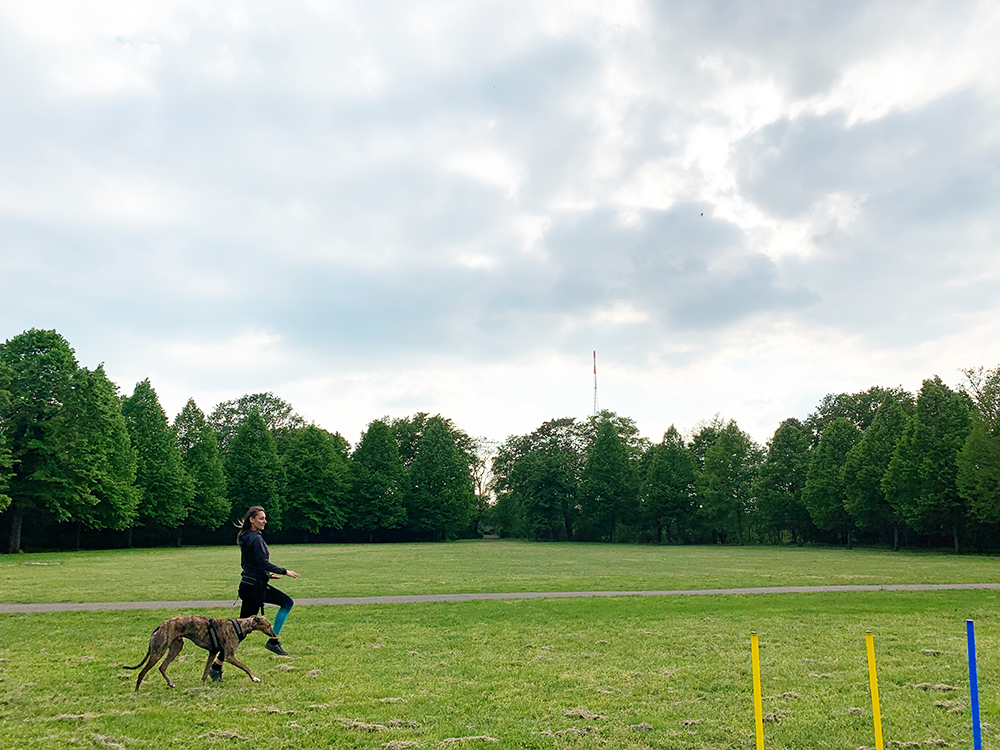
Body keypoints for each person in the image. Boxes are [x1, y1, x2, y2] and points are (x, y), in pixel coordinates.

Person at [210, 505, 300, 682]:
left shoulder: (246, 537)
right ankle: (217, 665)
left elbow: (251, 564)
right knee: (239, 631)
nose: (265, 521)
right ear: (251, 519)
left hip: (253, 585)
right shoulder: (255, 539)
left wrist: (267, 575)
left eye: (265, 518)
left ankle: (273, 640)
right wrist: (284, 571)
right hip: (253, 588)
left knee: (285, 603)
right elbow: (263, 562)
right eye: (261, 518)